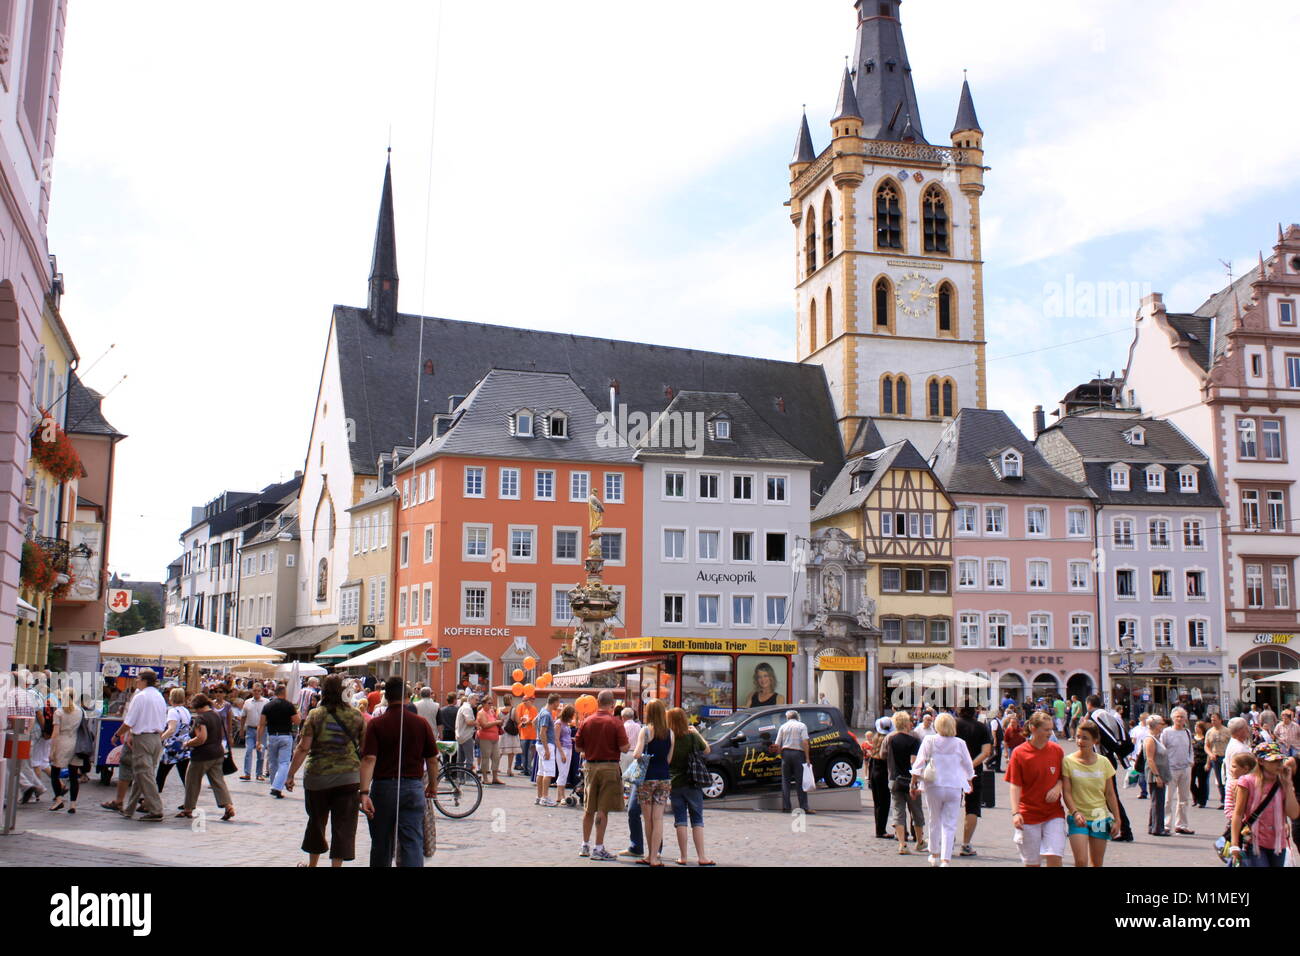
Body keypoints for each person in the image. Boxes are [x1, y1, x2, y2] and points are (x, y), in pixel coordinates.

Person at [285, 674, 366, 867]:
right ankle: (336, 865)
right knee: (343, 825)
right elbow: (364, 750)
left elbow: (303, 747)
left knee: (316, 821)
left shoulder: (316, 714)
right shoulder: (356, 715)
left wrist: (290, 774)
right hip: (348, 777)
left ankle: (313, 864)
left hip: (317, 777)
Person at [359, 678, 440, 868]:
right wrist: (433, 785)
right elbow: (432, 759)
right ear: (407, 697)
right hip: (412, 786)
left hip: (384, 786)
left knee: (381, 842)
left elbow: (369, 759)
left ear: (386, 697)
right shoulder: (421, 723)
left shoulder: (377, 724)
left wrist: (363, 792)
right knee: (412, 841)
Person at [910, 712, 975, 867]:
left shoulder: (929, 740)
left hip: (934, 784)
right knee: (950, 823)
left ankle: (934, 853)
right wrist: (969, 781)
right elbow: (968, 765)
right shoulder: (960, 743)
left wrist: (913, 783)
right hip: (953, 785)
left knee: (934, 819)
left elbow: (919, 763)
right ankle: (946, 859)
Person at [574, 689, 630, 862]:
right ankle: (598, 847)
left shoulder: (587, 721)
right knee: (603, 809)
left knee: (588, 807)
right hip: (609, 766)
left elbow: (578, 747)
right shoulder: (615, 723)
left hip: (590, 766)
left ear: (597, 702)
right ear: (612, 705)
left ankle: (584, 844)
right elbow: (624, 748)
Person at [1005, 711, 1066, 867]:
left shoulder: (1056, 750)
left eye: (1051, 729)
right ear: (1033, 728)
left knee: (1055, 856)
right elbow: (1015, 784)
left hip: (1053, 813)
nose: (1050, 733)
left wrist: (1058, 787)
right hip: (1028, 814)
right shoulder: (1019, 753)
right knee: (1032, 863)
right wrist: (1015, 812)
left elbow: (1063, 777)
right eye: (1046, 729)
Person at [1061, 721, 1122, 866]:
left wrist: (1117, 819)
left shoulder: (1104, 762)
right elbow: (1066, 792)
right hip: (1078, 817)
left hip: (1099, 817)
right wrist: (1075, 812)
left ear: (1095, 740)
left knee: (1097, 862)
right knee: (1081, 861)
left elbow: (1110, 794)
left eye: (1085, 738)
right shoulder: (1068, 761)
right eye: (1078, 737)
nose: (1080, 741)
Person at [1229, 742, 1300, 868]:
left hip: (1278, 843)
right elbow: (1238, 813)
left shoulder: (1283, 782)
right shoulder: (1247, 781)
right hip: (1254, 841)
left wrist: (1289, 785)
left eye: (1280, 760)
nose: (1278, 764)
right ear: (1261, 762)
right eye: (1273, 761)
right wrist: (1234, 844)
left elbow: (1293, 814)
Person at [628, 698, 674, 866]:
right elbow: (669, 759)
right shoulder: (670, 733)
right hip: (664, 778)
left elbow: (637, 754)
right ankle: (655, 856)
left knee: (648, 819)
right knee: (658, 819)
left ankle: (649, 856)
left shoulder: (646, 731)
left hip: (647, 778)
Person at [666, 706, 714, 865]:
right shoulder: (692, 736)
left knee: (680, 820)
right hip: (693, 781)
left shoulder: (669, 737)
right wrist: (697, 733)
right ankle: (702, 857)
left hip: (675, 782)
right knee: (697, 820)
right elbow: (707, 750)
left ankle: (683, 856)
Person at [177, 694, 235, 821]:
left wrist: (187, 743)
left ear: (197, 706)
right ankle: (228, 806)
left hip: (202, 755)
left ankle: (188, 808)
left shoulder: (201, 718)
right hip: (218, 753)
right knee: (218, 781)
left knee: (192, 781)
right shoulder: (216, 715)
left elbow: (201, 738)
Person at [120, 670, 169, 822]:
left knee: (144, 775)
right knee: (142, 774)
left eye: (138, 678)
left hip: (143, 738)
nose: (136, 681)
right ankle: (130, 808)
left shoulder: (140, 696)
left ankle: (156, 809)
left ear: (144, 681)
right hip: (156, 738)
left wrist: (118, 734)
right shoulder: (159, 696)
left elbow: (130, 721)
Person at [1084, 694, 1134, 842]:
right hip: (1107, 758)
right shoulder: (1107, 714)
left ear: (1088, 704)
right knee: (1107, 796)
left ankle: (1122, 829)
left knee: (1107, 796)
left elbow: (1106, 738)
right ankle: (1120, 829)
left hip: (1101, 760)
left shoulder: (1095, 716)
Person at [954, 706, 991, 858]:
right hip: (975, 772)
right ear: (975, 710)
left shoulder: (953, 724)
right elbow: (986, 752)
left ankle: (948, 841)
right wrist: (970, 766)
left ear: (959, 710)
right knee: (973, 807)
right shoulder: (981, 727)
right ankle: (966, 844)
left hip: (953, 771)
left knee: (950, 806)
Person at [886, 711, 925, 853]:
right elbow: (914, 762)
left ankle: (902, 844)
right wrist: (915, 780)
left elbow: (885, 755)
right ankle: (920, 841)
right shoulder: (914, 741)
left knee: (898, 811)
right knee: (916, 811)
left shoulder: (890, 739)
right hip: (910, 780)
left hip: (894, 779)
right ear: (906, 723)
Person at [259, 684, 300, 797]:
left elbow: (261, 724)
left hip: (272, 736)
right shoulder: (289, 705)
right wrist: (297, 711)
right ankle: (276, 787)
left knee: (272, 763)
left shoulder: (268, 705)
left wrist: (258, 740)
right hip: (285, 736)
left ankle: (274, 785)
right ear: (284, 692)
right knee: (284, 763)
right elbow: (297, 721)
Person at [47, 687, 83, 814]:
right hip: (75, 742)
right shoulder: (79, 711)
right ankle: (73, 804)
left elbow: (55, 733)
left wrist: (51, 750)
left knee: (55, 773)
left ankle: (59, 799)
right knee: (74, 776)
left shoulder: (59, 712)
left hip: (62, 742)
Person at [1160, 707, 1195, 835]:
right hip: (1171, 769)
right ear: (1173, 718)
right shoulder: (1167, 732)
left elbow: (1190, 748)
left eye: (1182, 716)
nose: (1180, 719)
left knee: (1184, 798)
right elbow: (1162, 750)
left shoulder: (1186, 732)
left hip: (1185, 768)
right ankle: (1166, 824)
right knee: (1168, 798)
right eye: (1177, 717)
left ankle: (1182, 824)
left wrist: (1190, 761)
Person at [775, 707, 813, 816]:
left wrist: (779, 755)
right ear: (797, 717)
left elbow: (777, 743)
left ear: (787, 718)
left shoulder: (783, 726)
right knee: (800, 781)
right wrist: (807, 757)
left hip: (786, 753)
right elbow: (805, 742)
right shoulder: (802, 726)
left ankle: (786, 806)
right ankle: (804, 807)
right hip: (798, 753)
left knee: (785, 781)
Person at [619, 707, 646, 858]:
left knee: (625, 778)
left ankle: (627, 798)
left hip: (626, 753)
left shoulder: (623, 726)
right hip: (637, 754)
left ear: (623, 717)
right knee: (634, 778)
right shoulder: (639, 726)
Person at [156, 688, 193, 794]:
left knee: (161, 773)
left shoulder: (173, 711)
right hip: (184, 745)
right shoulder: (186, 711)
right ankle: (189, 801)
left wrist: (160, 739)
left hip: (172, 746)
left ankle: (152, 799)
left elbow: (171, 729)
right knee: (184, 775)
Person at [1143, 714, 1171, 836]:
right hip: (1155, 774)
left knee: (1157, 800)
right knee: (1158, 801)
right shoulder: (1150, 739)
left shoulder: (1156, 738)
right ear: (1155, 725)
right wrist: (1157, 776)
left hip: (1160, 773)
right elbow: (1150, 759)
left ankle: (1153, 825)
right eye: (1161, 724)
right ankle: (1157, 828)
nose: (1162, 726)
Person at [1223, 716, 1254, 822]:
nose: (1248, 730)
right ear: (1239, 731)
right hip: (1239, 785)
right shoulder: (1238, 748)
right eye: (1246, 728)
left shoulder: (1238, 744)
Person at [866, 720, 893, 840]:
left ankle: (879, 828)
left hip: (874, 772)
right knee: (884, 803)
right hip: (882, 773)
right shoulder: (887, 740)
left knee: (877, 803)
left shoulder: (876, 738)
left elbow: (871, 759)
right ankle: (881, 830)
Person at [534, 693, 560, 807]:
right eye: (558, 702)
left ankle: (539, 797)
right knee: (548, 772)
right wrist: (547, 749)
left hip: (540, 744)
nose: (558, 705)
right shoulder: (546, 714)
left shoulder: (542, 711)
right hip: (546, 744)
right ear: (554, 702)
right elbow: (542, 732)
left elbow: (534, 722)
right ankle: (545, 797)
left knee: (541, 771)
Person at [238, 682, 268, 781]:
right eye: (255, 690)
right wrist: (241, 729)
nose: (256, 692)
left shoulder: (266, 702)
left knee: (261, 752)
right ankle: (247, 773)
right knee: (248, 750)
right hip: (250, 729)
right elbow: (243, 717)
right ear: (252, 691)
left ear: (261, 691)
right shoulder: (247, 702)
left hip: (262, 730)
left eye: (258, 691)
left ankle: (259, 773)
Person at [1204, 711, 1231, 808]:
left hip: (1225, 757)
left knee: (1228, 779)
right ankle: (1223, 800)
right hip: (1215, 757)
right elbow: (1207, 746)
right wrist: (1210, 754)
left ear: (1220, 720)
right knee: (1219, 780)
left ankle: (1229, 799)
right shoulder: (1210, 732)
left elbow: (1232, 744)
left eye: (1215, 720)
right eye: (1212, 720)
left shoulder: (1227, 731)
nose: (1213, 722)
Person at [476, 697, 504, 785]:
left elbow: (495, 720)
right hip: (485, 738)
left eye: (491, 703)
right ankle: (485, 778)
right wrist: (496, 722)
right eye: (489, 703)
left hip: (494, 737)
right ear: (483, 704)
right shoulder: (481, 713)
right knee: (486, 757)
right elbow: (484, 725)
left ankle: (495, 777)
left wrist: (499, 721)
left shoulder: (491, 711)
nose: (491, 705)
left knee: (496, 756)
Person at [553, 704, 576, 805]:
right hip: (562, 749)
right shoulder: (558, 723)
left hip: (568, 747)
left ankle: (560, 795)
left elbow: (564, 736)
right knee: (562, 772)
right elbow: (556, 739)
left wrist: (571, 739)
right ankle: (561, 795)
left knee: (565, 772)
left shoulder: (565, 724)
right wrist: (562, 753)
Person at [515, 696, 538, 776]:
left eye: (525, 701)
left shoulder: (533, 709)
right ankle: (525, 769)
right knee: (524, 753)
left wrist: (524, 723)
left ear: (530, 701)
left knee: (530, 753)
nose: (524, 703)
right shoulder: (524, 709)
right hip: (523, 735)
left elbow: (532, 720)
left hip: (531, 735)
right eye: (523, 701)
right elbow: (522, 719)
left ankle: (529, 769)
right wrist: (522, 722)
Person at [454, 694, 477, 770]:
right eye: (476, 700)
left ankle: (460, 778)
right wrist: (477, 723)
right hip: (466, 736)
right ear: (470, 699)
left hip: (460, 735)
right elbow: (469, 722)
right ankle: (468, 777)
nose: (477, 702)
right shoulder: (467, 708)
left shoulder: (463, 707)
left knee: (460, 759)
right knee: (469, 759)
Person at [499, 697, 521, 776]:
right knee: (511, 752)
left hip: (502, 731)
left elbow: (498, 720)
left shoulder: (499, 709)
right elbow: (518, 721)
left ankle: (495, 767)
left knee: (500, 751)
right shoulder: (513, 710)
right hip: (511, 733)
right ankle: (509, 769)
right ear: (510, 701)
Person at [1191, 721, 1210, 809]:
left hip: (1202, 762)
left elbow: (1209, 750)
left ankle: (1202, 801)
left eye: (1198, 727)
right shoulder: (1192, 738)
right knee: (1191, 783)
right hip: (1193, 762)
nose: (1196, 728)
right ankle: (1196, 797)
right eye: (1195, 726)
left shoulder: (1205, 738)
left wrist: (1208, 763)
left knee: (1202, 782)